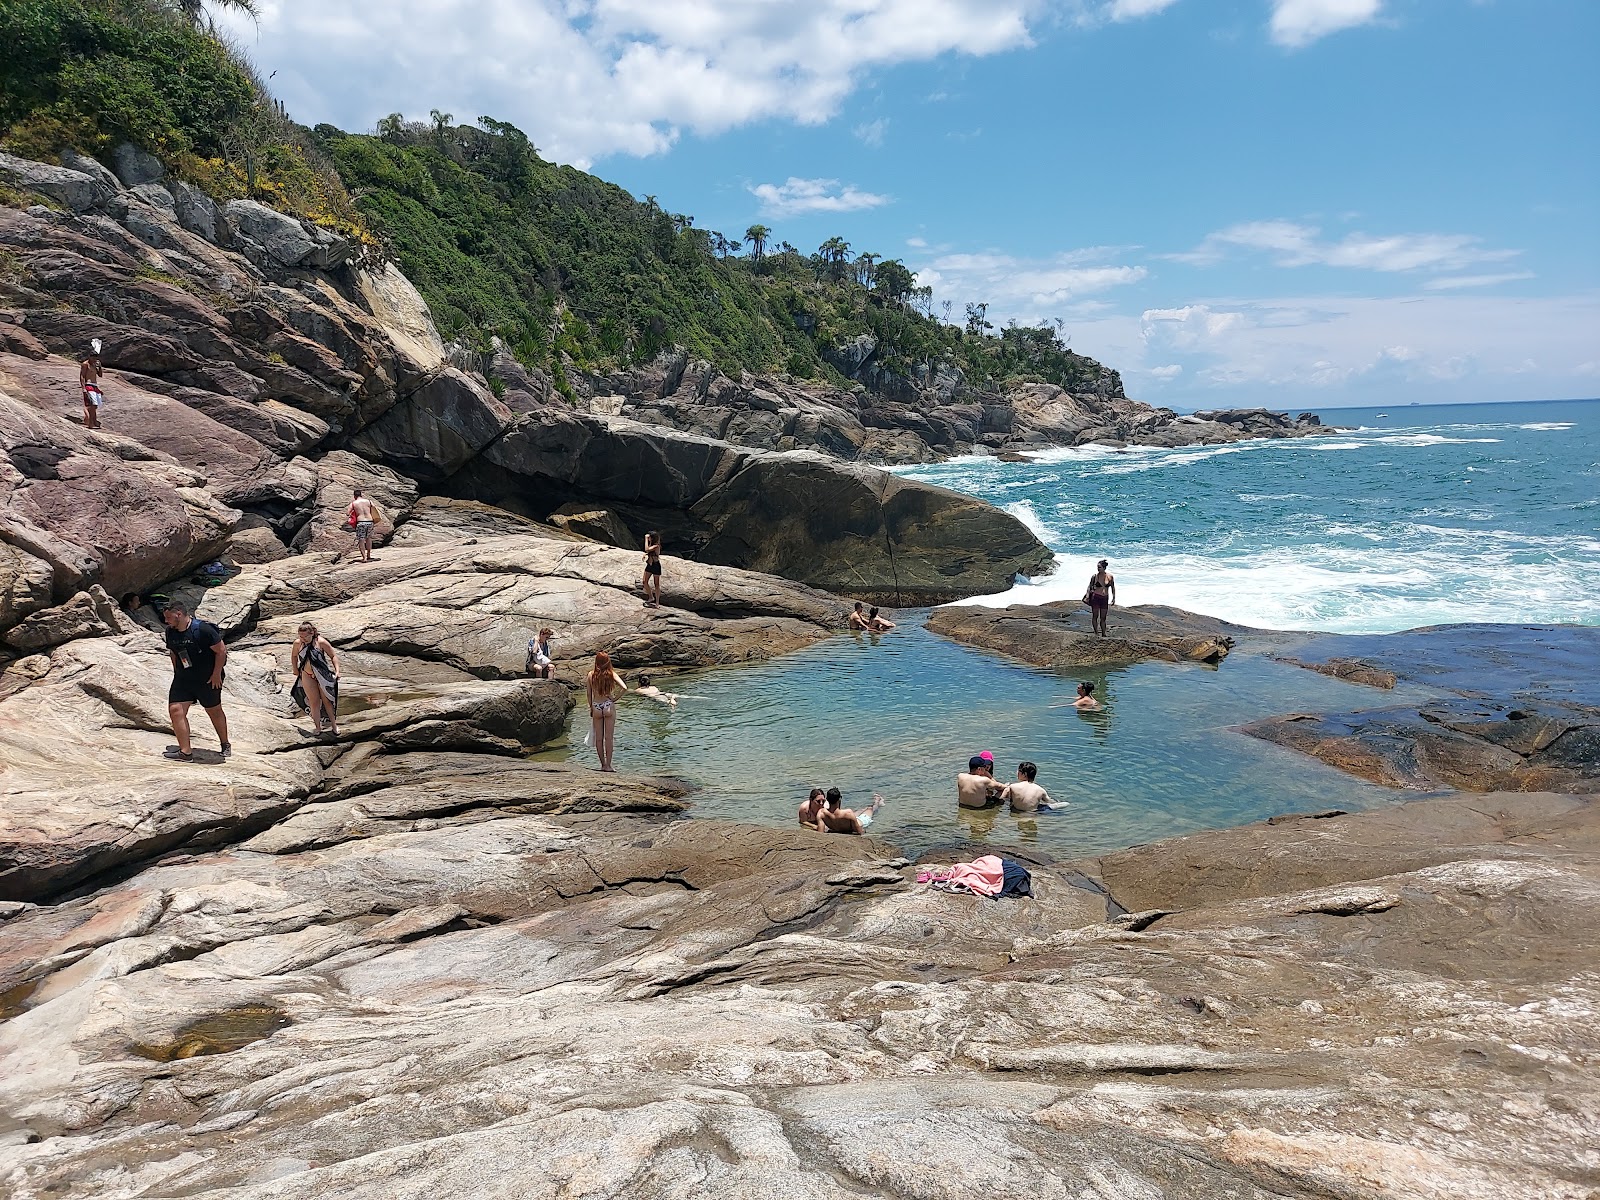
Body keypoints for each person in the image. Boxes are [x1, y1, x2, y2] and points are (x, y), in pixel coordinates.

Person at [161, 600, 229, 762]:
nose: (166, 621)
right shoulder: (171, 632)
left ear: (179, 614)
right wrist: (176, 671)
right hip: (184, 677)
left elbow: (221, 651)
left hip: (208, 678)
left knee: (214, 710)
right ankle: (185, 752)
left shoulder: (203, 629)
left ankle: (225, 743)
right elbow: (173, 652)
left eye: (168, 617)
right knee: (176, 710)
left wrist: (216, 674)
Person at [290, 621, 341, 736]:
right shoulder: (297, 644)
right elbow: (294, 656)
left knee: (327, 701)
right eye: (300, 636)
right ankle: (318, 728)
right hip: (306, 674)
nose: (303, 639)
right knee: (314, 702)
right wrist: (295, 669)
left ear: (312, 633)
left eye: (305, 636)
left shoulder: (320, 642)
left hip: (322, 674)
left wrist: (337, 671)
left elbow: (333, 655)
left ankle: (334, 725)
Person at [585, 650, 627, 771]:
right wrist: (614, 699)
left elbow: (589, 694)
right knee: (609, 738)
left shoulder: (591, 675)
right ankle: (609, 765)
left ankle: (602, 765)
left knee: (599, 738)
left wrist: (591, 707)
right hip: (608, 705)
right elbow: (624, 687)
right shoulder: (611, 674)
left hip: (596, 706)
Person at [815, 787, 884, 835]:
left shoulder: (821, 813)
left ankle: (866, 808)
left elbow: (820, 832)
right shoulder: (848, 812)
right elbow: (859, 831)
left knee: (859, 811)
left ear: (827, 799)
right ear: (839, 799)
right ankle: (877, 802)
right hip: (861, 822)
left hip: (844, 821)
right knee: (870, 809)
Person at [347, 488, 382, 563]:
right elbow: (374, 508)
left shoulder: (354, 503)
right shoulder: (369, 501)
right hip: (370, 522)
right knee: (369, 538)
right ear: (361, 495)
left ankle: (364, 558)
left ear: (354, 496)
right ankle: (369, 555)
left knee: (361, 540)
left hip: (361, 522)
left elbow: (348, 512)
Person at [1085, 558, 1116, 637]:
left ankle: (1103, 633)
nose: (1098, 569)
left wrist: (1113, 598)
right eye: (1097, 567)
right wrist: (1088, 596)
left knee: (1103, 618)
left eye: (1099, 567)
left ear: (1104, 568)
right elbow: (1089, 586)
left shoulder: (1110, 577)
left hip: (1105, 598)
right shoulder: (1094, 576)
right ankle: (1096, 632)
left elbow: (1112, 587)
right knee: (1095, 616)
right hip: (1096, 597)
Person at [79, 343, 104, 430]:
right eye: (93, 357)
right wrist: (83, 389)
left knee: (96, 405)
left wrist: (99, 367)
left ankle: (91, 421)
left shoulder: (94, 365)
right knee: (92, 404)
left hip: (95, 385)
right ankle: (90, 423)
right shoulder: (85, 364)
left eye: (96, 357)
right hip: (88, 385)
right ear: (89, 356)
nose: (94, 359)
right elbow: (82, 376)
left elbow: (100, 375)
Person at [641, 531, 662, 608]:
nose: (648, 538)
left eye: (649, 537)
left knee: (656, 584)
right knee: (644, 581)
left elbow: (647, 549)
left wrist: (646, 539)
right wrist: (645, 555)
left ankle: (657, 602)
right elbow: (648, 551)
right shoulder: (652, 545)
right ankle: (651, 597)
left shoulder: (657, 546)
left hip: (656, 566)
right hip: (650, 565)